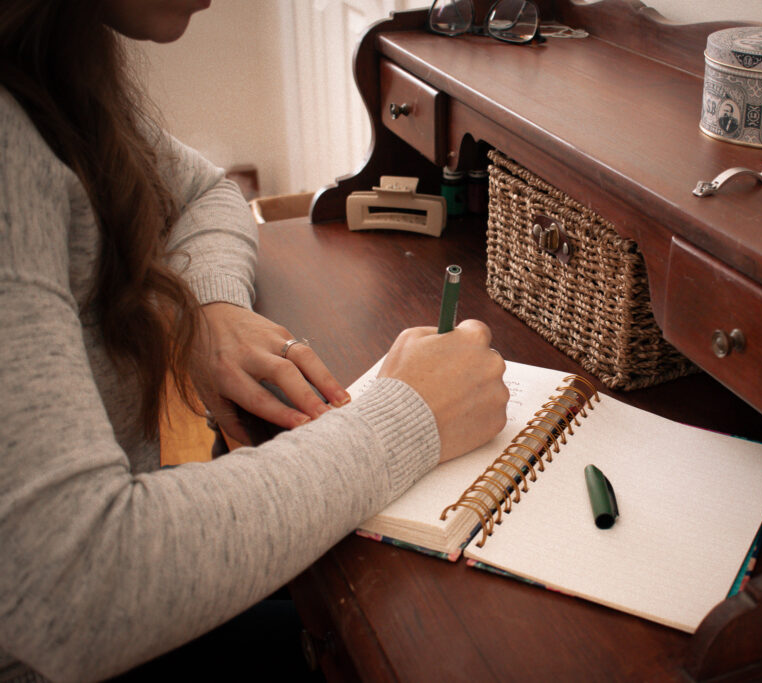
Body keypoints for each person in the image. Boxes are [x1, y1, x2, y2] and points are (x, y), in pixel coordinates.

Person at [0, 1, 509, 681]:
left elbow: (205, 191)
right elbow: (74, 587)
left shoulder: (49, 72)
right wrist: (404, 420)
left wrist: (206, 307)